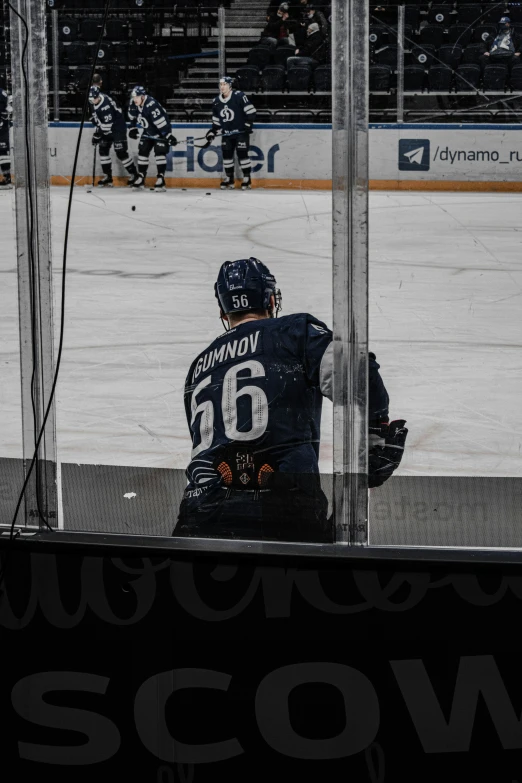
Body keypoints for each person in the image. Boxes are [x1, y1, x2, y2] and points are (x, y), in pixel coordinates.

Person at [174, 257, 407, 542]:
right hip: (282, 507)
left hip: (200, 514)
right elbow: (359, 373)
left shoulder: (198, 368)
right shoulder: (293, 333)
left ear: (224, 312)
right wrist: (374, 438)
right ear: (271, 300)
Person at [206, 76, 256, 191]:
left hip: (240, 133)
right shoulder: (216, 101)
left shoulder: (239, 96)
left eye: (224, 85)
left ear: (230, 86)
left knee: (242, 154)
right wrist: (213, 131)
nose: (222, 87)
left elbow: (251, 111)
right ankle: (229, 178)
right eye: (221, 85)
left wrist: (248, 124)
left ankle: (247, 178)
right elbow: (216, 120)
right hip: (226, 134)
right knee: (227, 156)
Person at [128, 85, 178, 192]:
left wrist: (168, 135)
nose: (134, 99)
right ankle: (141, 177)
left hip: (160, 131)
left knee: (160, 153)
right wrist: (132, 128)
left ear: (142, 96)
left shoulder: (151, 105)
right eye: (134, 97)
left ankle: (160, 178)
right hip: (148, 131)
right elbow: (132, 116)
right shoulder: (133, 103)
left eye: (137, 97)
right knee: (142, 152)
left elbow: (161, 123)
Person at [89, 86, 139, 187]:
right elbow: (96, 120)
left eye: (94, 98)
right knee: (103, 151)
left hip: (117, 128)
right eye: (91, 99)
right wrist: (97, 131)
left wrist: (97, 135)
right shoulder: (93, 101)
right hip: (106, 128)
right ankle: (108, 177)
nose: (93, 101)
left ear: (98, 96)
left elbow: (106, 126)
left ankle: (135, 175)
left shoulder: (105, 105)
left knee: (121, 153)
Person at [0, 87, 12, 190]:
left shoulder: (1, 92)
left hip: (2, 126)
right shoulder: (3, 92)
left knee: (3, 153)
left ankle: (7, 179)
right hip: (3, 125)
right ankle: (6, 179)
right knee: (3, 153)